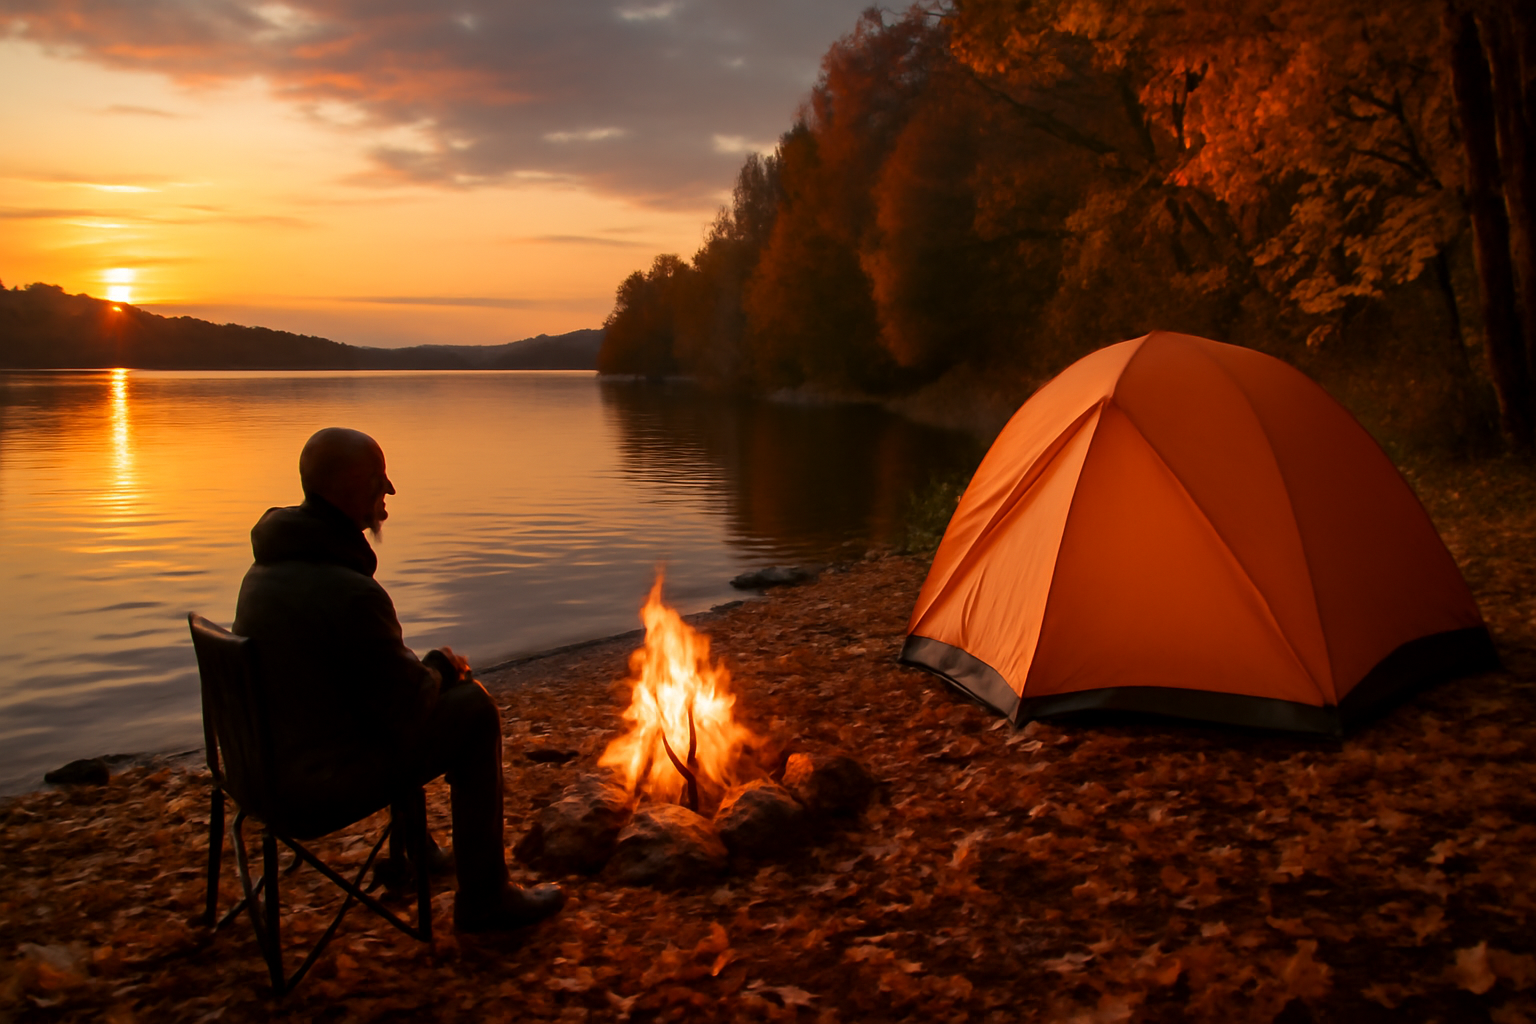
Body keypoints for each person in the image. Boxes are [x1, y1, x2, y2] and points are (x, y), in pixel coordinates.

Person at [231, 426, 564, 933]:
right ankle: (486, 901)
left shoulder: (266, 569)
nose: (389, 491)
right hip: (309, 789)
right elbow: (404, 708)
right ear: (354, 488)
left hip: (254, 773)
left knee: (418, 688)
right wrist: (439, 672)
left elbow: (361, 685)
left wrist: (426, 671)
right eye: (380, 478)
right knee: (472, 711)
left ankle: (417, 853)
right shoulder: (348, 591)